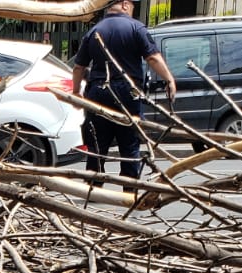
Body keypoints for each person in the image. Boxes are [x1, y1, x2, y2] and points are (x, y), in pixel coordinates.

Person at [71, 0, 176, 181]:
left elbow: (79, 67)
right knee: (129, 144)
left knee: (97, 144)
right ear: (126, 4)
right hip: (128, 92)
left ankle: (92, 188)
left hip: (98, 93)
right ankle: (129, 188)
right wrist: (169, 79)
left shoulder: (94, 31)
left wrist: (76, 92)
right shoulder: (136, 28)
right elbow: (152, 57)